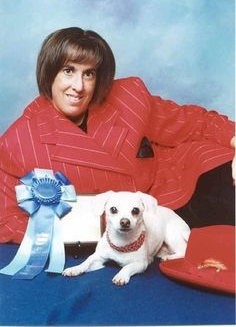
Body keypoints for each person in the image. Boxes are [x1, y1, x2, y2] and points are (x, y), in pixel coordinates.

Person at [0, 27, 235, 243]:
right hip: (127, 224)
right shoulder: (18, 142)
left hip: (177, 184)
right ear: (49, 73)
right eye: (68, 71)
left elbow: (195, 122)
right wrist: (75, 233)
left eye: (88, 74)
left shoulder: (130, 97)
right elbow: (5, 220)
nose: (79, 86)